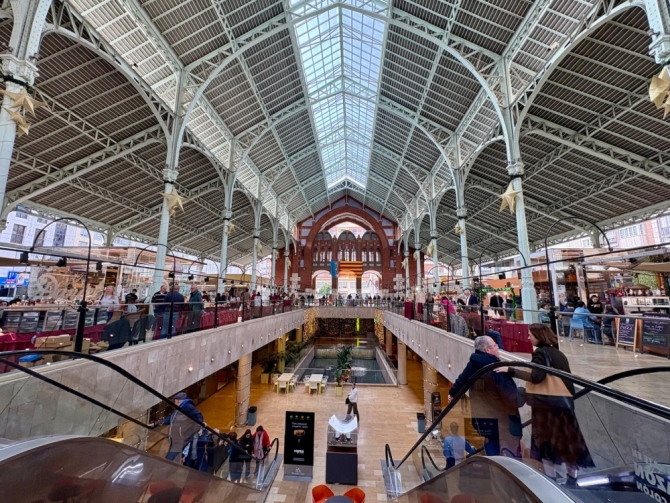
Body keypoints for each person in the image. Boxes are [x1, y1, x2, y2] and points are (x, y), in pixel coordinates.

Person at [498, 324, 594, 482]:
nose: (528, 338)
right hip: (564, 405)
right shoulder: (559, 354)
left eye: (531, 335)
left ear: (539, 336)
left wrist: (511, 370)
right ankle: (572, 481)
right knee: (567, 444)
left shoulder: (541, 353)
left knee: (546, 447)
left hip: (546, 407)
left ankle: (551, 480)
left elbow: (536, 376)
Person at [448, 336, 520, 456]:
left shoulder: (473, 364)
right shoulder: (496, 367)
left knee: (491, 442)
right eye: (495, 346)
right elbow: (511, 395)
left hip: (481, 417)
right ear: (487, 350)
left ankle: (494, 468)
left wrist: (452, 393)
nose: (498, 348)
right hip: (501, 420)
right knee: (510, 450)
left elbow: (462, 380)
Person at [151, 392, 203, 462]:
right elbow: (171, 419)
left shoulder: (187, 406)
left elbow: (198, 415)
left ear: (178, 401)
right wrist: (156, 424)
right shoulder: (180, 408)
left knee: (171, 455)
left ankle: (164, 467)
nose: (174, 403)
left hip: (180, 437)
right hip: (177, 437)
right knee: (174, 455)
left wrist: (200, 424)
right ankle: (169, 468)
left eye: (175, 401)